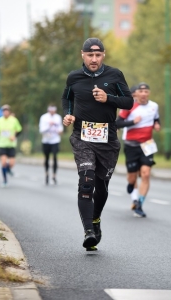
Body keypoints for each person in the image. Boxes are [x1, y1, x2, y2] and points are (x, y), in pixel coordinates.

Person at [62, 37, 133, 250]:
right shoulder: (73, 77)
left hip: (108, 138)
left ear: (104, 54)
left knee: (101, 186)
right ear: (82, 54)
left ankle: (95, 219)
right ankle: (88, 232)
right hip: (82, 136)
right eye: (90, 55)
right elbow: (67, 99)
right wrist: (67, 115)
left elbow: (128, 102)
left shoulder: (115, 75)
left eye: (98, 55)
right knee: (86, 181)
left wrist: (108, 98)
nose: (94, 59)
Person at [116, 83, 160, 217]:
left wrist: (157, 124)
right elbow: (118, 123)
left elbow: (156, 119)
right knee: (132, 176)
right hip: (131, 145)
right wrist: (133, 122)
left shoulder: (154, 106)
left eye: (146, 91)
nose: (143, 94)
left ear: (148, 93)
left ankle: (139, 204)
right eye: (141, 91)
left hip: (147, 144)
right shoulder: (129, 106)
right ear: (136, 94)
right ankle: (131, 185)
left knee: (146, 174)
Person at [0, 104, 22, 187]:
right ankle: (4, 180)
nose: (5, 112)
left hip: (11, 145)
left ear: (9, 111)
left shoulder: (14, 120)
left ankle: (8, 170)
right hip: (2, 144)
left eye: (7, 110)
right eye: (4, 111)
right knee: (3, 162)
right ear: (2, 112)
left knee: (11, 164)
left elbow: (19, 130)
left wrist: (14, 136)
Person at [39, 104, 63, 185]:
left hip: (55, 140)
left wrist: (58, 130)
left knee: (55, 156)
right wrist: (49, 125)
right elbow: (41, 130)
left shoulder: (58, 117)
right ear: (49, 110)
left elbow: (60, 129)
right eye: (51, 110)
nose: (52, 112)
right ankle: (46, 174)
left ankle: (54, 175)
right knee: (47, 158)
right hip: (46, 140)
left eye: (54, 110)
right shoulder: (44, 117)